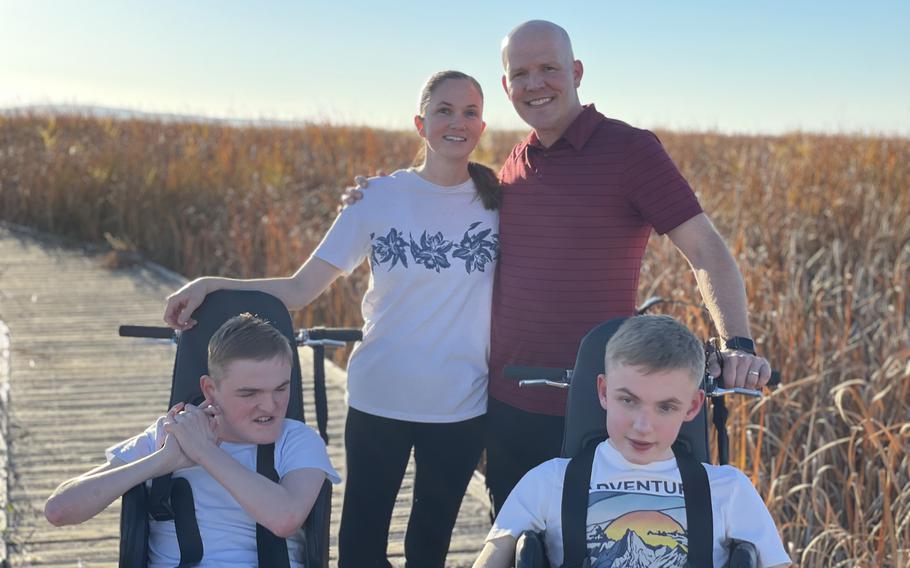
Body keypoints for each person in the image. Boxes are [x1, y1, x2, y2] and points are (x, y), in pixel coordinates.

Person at [348, 19, 774, 516]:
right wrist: (376, 194)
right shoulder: (512, 165)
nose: (535, 84)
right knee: (519, 540)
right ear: (506, 86)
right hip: (505, 407)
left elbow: (705, 249)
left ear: (575, 71)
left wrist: (736, 343)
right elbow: (438, 206)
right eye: (520, 73)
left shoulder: (631, 150)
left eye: (548, 68)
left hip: (597, 408)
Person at [162, 70, 501, 567]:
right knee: (361, 549)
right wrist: (213, 284)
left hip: (461, 403)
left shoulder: (500, 203)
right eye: (444, 110)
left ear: (482, 125)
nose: (458, 121)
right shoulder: (378, 199)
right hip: (379, 397)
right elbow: (300, 290)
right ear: (420, 123)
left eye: (470, 111)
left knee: (428, 548)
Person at [472, 315, 791, 568]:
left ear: (693, 406)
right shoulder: (547, 482)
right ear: (603, 392)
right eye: (628, 400)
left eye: (666, 407)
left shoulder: (730, 490)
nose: (643, 425)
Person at [44, 313, 340, 567]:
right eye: (249, 394)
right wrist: (161, 461)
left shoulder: (298, 440)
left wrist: (204, 454)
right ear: (210, 389)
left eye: (280, 389)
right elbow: (59, 510)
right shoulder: (168, 435)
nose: (270, 406)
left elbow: (285, 518)